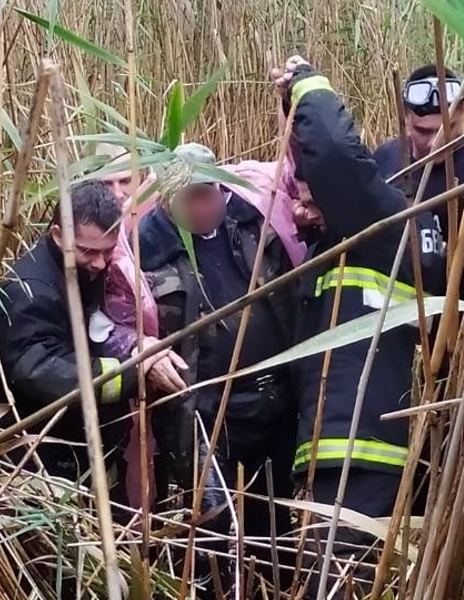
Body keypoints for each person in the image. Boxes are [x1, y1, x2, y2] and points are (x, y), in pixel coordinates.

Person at [269, 56, 446, 599]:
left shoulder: (381, 220)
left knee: (335, 586)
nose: (298, 199)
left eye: (307, 187)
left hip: (358, 453)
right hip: (361, 449)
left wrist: (308, 85)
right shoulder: (385, 232)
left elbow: (338, 156)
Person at [133, 142, 301, 598]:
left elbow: (290, 293)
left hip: (275, 399)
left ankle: (277, 587)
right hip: (205, 413)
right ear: (167, 199)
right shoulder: (144, 250)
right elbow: (128, 325)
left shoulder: (253, 222)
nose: (205, 205)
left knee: (274, 512)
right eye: (191, 195)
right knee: (212, 522)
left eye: (210, 192)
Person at [0, 180, 182, 517]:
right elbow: (42, 372)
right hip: (44, 464)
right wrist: (132, 373)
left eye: (108, 250)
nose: (101, 263)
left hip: (89, 452)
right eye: (88, 251)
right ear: (58, 235)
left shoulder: (85, 271)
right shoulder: (30, 292)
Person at [374, 64, 464, 299]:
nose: (435, 143)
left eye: (448, 129)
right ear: (406, 117)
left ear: (463, 111)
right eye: (423, 131)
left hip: (458, 319)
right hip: (392, 315)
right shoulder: (385, 160)